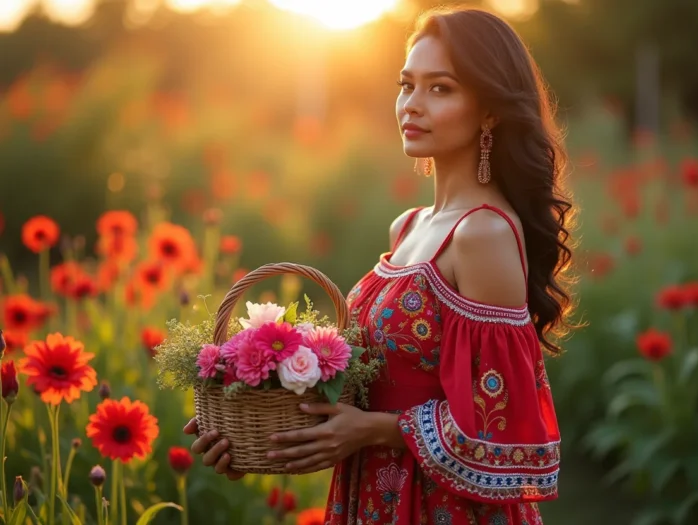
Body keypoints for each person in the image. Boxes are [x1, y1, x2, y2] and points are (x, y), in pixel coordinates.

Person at [184, 6, 576, 524]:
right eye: (406, 85)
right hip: (371, 492)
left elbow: (503, 429)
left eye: (440, 88)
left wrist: (376, 430)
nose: (412, 105)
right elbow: (372, 387)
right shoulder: (408, 227)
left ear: (490, 111)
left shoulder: (482, 233)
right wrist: (261, 421)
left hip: (446, 508)